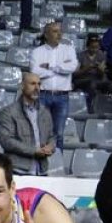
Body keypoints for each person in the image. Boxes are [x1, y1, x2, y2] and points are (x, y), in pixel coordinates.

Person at [0, 73, 56, 176]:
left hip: (41, 170)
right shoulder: (9, 112)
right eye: (32, 84)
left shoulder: (45, 112)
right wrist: (34, 151)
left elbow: (51, 137)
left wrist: (51, 146)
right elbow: (6, 141)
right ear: (22, 86)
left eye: (39, 84)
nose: (37, 87)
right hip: (17, 170)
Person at [31, 22, 78, 151]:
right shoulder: (37, 51)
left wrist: (50, 67)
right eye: (55, 31)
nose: (59, 34)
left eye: (60, 31)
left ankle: (58, 162)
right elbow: (35, 72)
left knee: (59, 132)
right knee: (41, 131)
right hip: (43, 95)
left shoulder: (69, 49)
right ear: (46, 35)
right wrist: (60, 68)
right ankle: (40, 161)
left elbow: (72, 67)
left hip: (62, 96)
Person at [73, 34, 112, 102]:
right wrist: (87, 68)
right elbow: (75, 74)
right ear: (87, 46)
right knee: (92, 84)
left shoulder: (101, 55)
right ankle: (91, 105)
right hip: (84, 79)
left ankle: (108, 104)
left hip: (98, 79)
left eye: (96, 47)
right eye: (92, 47)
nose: (94, 50)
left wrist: (100, 69)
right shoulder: (81, 55)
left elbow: (102, 73)